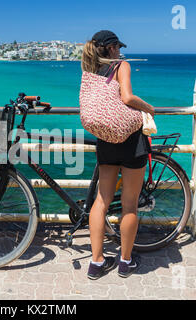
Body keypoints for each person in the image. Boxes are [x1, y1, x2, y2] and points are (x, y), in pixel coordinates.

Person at [79, 30, 155, 279]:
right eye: (118, 47)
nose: (121, 51)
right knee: (130, 204)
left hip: (107, 140)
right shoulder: (121, 65)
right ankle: (125, 261)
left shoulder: (90, 72)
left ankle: (96, 263)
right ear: (111, 49)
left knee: (101, 201)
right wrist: (149, 107)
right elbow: (128, 97)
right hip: (131, 141)